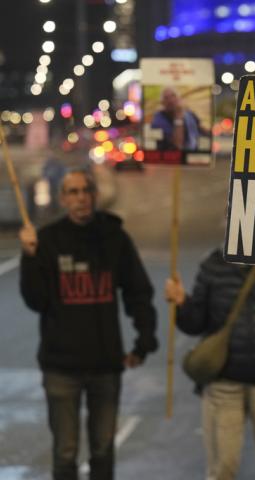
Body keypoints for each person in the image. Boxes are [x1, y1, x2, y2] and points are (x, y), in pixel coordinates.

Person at [19, 169, 158, 480]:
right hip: (60, 367)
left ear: (94, 195)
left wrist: (144, 341)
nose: (81, 197)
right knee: (65, 453)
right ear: (63, 198)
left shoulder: (114, 238)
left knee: (103, 451)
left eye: (86, 190)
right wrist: (29, 257)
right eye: (73, 192)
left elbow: (138, 292)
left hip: (105, 366)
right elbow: (35, 301)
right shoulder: (49, 240)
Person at [164, 251, 255, 480]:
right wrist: (181, 302)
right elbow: (195, 323)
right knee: (222, 471)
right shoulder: (213, 266)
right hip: (223, 382)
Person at [151, 86, 206, 150]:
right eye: (166, 98)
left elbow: (201, 130)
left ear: (179, 98)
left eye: (173, 96)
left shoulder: (189, 114)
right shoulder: (159, 119)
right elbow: (177, 145)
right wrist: (178, 117)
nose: (170, 100)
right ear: (162, 103)